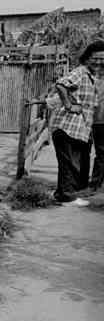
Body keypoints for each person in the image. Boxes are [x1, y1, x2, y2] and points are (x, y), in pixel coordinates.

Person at [50, 41, 104, 206]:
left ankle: (61, 194)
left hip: (76, 128)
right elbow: (60, 85)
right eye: (95, 58)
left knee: (70, 162)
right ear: (87, 58)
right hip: (66, 126)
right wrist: (68, 104)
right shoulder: (81, 72)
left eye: (102, 59)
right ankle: (67, 198)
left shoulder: (91, 77)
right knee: (69, 163)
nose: (99, 62)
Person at [88, 60, 104, 193]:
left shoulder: (95, 81)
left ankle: (96, 184)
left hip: (98, 121)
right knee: (101, 153)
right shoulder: (97, 82)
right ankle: (95, 184)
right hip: (99, 121)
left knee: (101, 153)